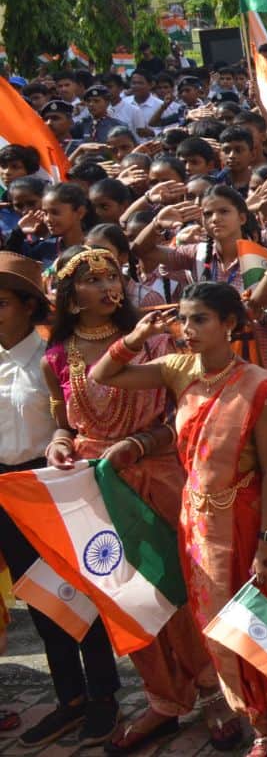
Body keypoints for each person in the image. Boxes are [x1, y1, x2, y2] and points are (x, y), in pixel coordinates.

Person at [91, 283, 267, 757]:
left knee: (261, 621)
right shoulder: (178, 371)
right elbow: (106, 374)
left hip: (244, 516)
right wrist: (134, 337)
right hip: (195, 523)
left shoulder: (256, 383)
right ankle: (259, 723)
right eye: (183, 319)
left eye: (200, 319)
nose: (188, 329)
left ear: (230, 325)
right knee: (221, 627)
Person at [42, 247, 236, 754]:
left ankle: (214, 691)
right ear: (69, 295)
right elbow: (64, 422)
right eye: (93, 280)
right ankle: (163, 700)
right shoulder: (56, 354)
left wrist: (139, 445)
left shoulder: (150, 345)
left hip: (158, 475)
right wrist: (60, 444)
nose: (108, 287)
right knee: (125, 596)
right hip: (97, 484)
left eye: (114, 277)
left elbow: (182, 416)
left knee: (179, 586)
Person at [0, 251, 127, 747]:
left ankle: (103, 696)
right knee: (37, 596)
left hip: (50, 481)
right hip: (5, 489)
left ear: (30, 306)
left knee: (76, 592)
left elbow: (69, 422)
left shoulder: (54, 355)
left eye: (3, 302)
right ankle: (68, 698)